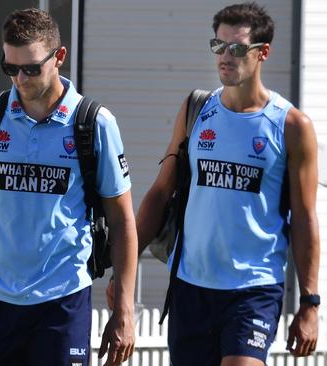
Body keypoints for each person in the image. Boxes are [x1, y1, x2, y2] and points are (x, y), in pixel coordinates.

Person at [0, 8, 138, 366]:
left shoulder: (94, 124)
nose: (20, 78)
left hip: (62, 302)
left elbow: (123, 221)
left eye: (31, 68)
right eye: (10, 67)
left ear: (59, 57)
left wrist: (124, 308)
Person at [124, 3, 320, 365]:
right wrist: (125, 263)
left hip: (253, 289)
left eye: (237, 48)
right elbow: (160, 191)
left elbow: (305, 218)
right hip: (190, 286)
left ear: (263, 53)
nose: (225, 57)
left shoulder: (292, 126)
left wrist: (309, 302)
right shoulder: (196, 108)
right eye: (219, 46)